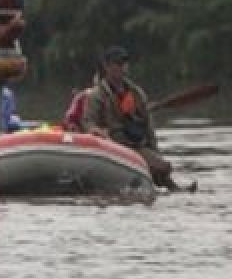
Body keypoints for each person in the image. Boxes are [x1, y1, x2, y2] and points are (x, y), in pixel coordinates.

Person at [82, 46, 192, 191]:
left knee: (163, 167)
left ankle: (171, 187)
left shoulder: (136, 93)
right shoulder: (97, 95)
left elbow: (148, 127)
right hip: (111, 144)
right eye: (118, 64)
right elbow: (88, 121)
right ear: (107, 67)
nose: (122, 67)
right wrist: (95, 130)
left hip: (134, 144)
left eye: (125, 63)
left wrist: (155, 151)